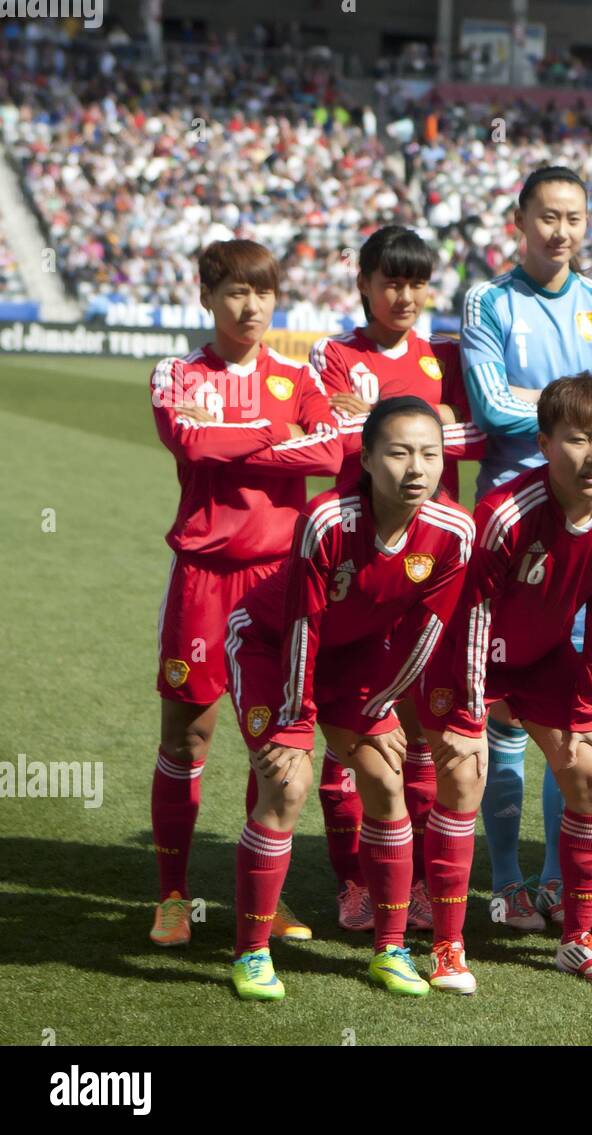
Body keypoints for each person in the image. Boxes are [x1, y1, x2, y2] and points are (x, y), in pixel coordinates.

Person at [224, 397, 473, 1000]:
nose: (416, 468)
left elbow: (426, 634)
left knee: (387, 783)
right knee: (287, 784)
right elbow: (302, 625)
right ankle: (251, 954)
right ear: (365, 457)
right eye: (399, 453)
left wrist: (377, 704)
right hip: (268, 646)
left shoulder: (453, 532)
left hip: (354, 661)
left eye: (430, 454)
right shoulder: (328, 519)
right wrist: (295, 722)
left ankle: (390, 949)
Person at [459, 166, 592, 930]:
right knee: (505, 716)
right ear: (520, 220)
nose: (560, 231)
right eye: (547, 216)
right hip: (515, 525)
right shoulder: (489, 299)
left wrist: (586, 429)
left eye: (574, 217)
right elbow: (489, 401)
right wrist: (574, 422)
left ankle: (548, 876)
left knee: (577, 720)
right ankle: (504, 879)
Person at [417, 375, 592, 988]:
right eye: (578, 439)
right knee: (463, 777)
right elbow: (471, 616)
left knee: (587, 771)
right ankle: (448, 945)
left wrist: (587, 702)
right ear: (545, 444)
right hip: (466, 655)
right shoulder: (503, 514)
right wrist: (471, 717)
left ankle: (577, 937)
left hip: (545, 657)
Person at [148, 239, 341, 948]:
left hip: (276, 582)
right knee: (188, 734)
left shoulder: (298, 374)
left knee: (274, 745)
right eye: (234, 291)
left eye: (262, 292)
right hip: (201, 576)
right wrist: (273, 432)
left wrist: (235, 435)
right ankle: (172, 894)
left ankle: (268, 899)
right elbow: (190, 446)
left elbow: (328, 453)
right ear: (206, 296)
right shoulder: (178, 372)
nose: (250, 305)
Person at [311, 225, 486, 934]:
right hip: (356, 565)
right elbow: (332, 435)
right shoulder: (335, 354)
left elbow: (487, 433)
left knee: (417, 731)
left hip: (433, 565)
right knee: (346, 736)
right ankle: (352, 880)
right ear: (364, 284)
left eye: (416, 282)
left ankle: (410, 884)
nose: (404, 294)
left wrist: (411, 428)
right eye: (390, 280)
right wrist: (429, 426)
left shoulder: (446, 357)